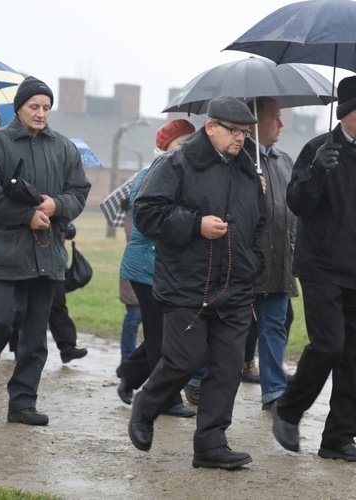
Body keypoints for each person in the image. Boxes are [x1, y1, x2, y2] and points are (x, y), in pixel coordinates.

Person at [128, 97, 265, 469]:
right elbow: (146, 212)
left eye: (245, 132)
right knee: (184, 360)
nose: (240, 138)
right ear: (211, 127)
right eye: (233, 131)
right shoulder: (176, 162)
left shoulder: (249, 170)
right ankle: (146, 406)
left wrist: (255, 262)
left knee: (228, 366)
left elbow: (260, 224)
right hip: (188, 284)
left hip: (236, 286)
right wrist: (195, 224)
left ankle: (211, 443)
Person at [270, 76, 356, 464]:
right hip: (322, 267)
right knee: (329, 345)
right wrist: (317, 172)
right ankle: (288, 410)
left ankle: (339, 439)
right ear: (344, 115)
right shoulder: (316, 150)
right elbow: (297, 204)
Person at [0, 75, 90, 425]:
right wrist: (25, 216)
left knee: (34, 336)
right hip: (3, 253)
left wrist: (56, 206)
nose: (41, 113)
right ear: (19, 107)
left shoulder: (63, 146)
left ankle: (22, 403)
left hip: (47, 256)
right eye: (35, 106)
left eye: (46, 107)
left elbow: (79, 192)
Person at [116, 119, 196, 419]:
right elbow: (148, 219)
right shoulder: (148, 176)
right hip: (145, 267)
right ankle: (167, 399)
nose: (186, 151)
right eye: (180, 144)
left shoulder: (186, 176)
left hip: (168, 269)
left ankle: (130, 372)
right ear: (163, 148)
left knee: (164, 334)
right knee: (161, 335)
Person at [243, 97, 297, 410]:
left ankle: (274, 391)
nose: (281, 124)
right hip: (245, 262)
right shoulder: (238, 159)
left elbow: (293, 212)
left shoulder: (284, 161)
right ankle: (199, 380)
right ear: (254, 122)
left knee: (275, 325)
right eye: (274, 118)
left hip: (279, 262)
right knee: (230, 329)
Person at [8, 221, 89, 364]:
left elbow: (71, 229)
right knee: (22, 306)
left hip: (54, 264)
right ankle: (18, 347)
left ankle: (67, 347)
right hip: (25, 260)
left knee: (58, 305)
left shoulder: (54, 202)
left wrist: (66, 229)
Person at [118, 202, 142, 361]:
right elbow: (133, 236)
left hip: (150, 271)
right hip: (135, 271)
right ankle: (127, 358)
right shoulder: (133, 209)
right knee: (134, 316)